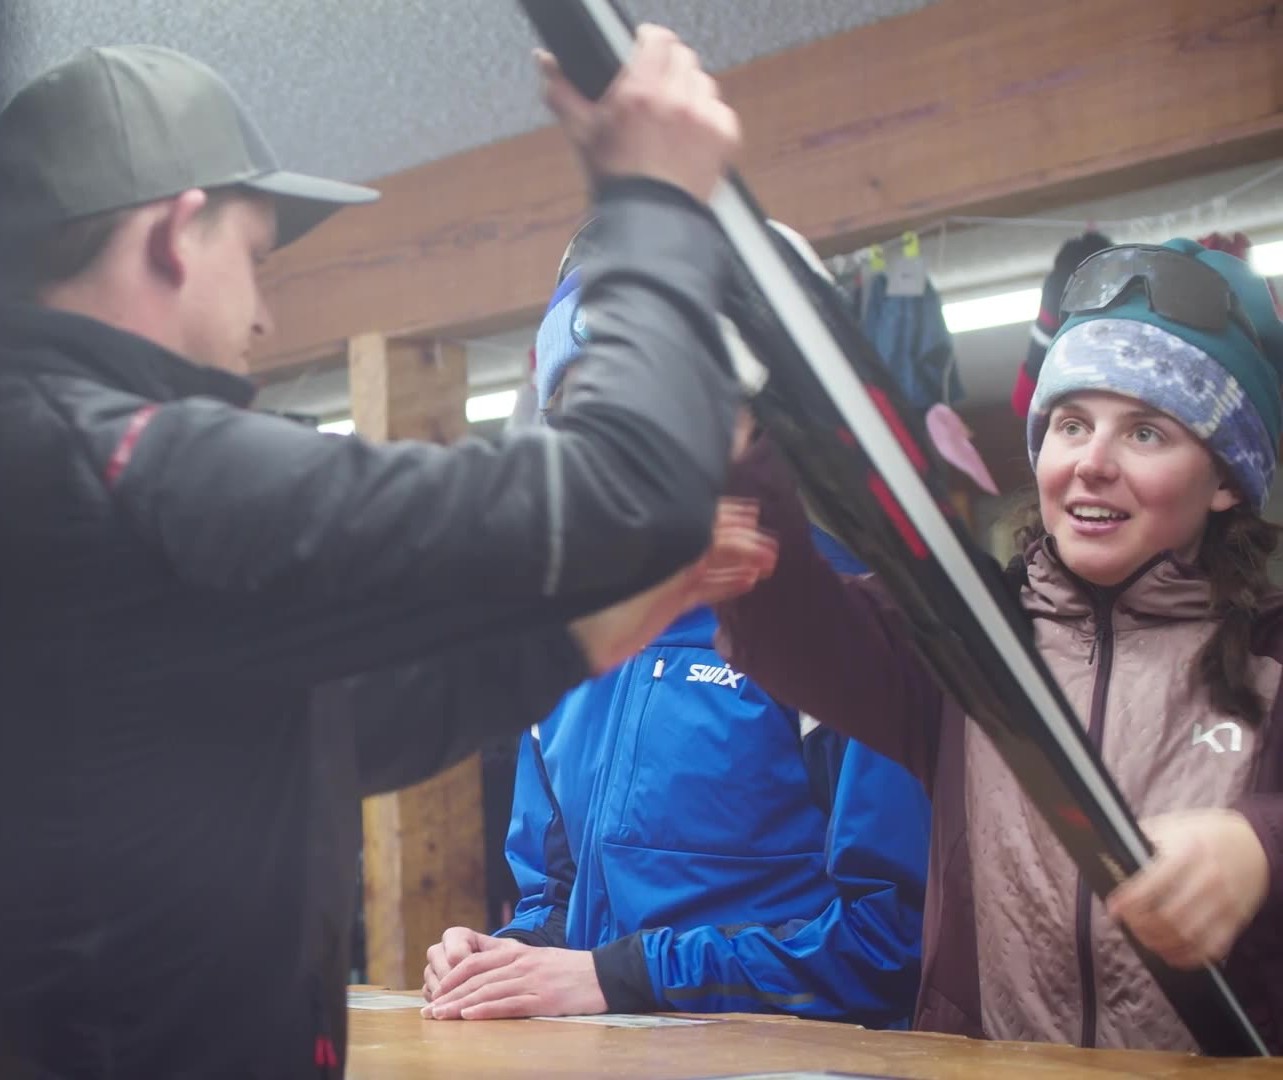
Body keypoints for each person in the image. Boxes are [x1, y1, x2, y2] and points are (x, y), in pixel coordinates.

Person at [0, 29, 777, 1078]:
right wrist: (650, 209)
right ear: (177, 235)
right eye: (257, 261)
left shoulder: (56, 474)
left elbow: (323, 731)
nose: (266, 314)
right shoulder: (142, 471)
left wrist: (575, 635)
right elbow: (626, 491)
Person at [710, 238, 1283, 1052]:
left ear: (1225, 477)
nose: (1090, 463)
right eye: (1071, 424)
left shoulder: (1271, 653)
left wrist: (1259, 846)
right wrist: (733, 453)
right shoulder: (965, 645)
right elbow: (787, 620)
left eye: (1146, 433)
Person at [421, 238, 930, 1025]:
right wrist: (502, 958)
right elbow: (557, 903)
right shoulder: (571, 638)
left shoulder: (849, 624)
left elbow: (893, 943)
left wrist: (623, 978)